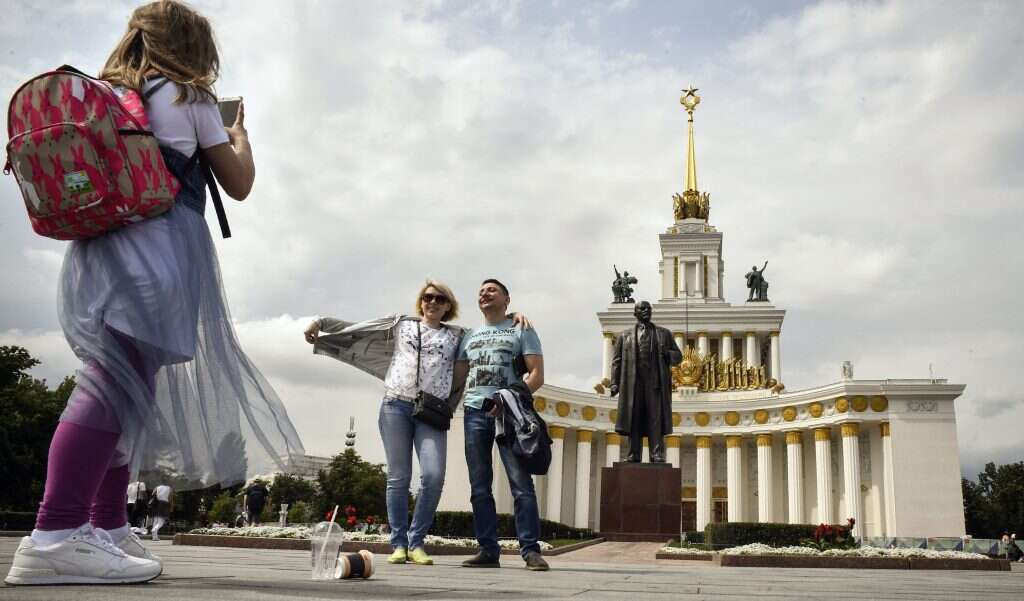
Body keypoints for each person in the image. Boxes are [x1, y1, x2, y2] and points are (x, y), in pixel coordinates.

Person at [5, 1, 304, 586]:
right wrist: (239, 135)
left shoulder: (114, 93)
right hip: (154, 253)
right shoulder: (189, 97)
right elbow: (237, 184)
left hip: (97, 252)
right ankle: (55, 534)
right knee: (112, 387)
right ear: (193, 46)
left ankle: (106, 526)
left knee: (126, 392)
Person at [306, 280, 530, 566]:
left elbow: (489, 331)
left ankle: (417, 541)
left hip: (431, 412)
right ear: (420, 302)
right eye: (427, 297)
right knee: (398, 478)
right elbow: (357, 327)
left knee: (434, 476)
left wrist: (514, 317)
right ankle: (399, 544)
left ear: (448, 306)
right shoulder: (401, 325)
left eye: (439, 299)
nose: (432, 302)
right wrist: (319, 322)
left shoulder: (458, 335)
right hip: (395, 405)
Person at [455, 279, 549, 571]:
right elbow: (458, 379)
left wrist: (510, 399)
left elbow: (536, 374)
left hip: (509, 416)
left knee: (521, 484)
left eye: (492, 290)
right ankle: (488, 550)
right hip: (474, 412)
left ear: (507, 299)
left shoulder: (521, 329)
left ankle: (530, 550)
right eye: (481, 290)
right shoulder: (468, 336)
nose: (484, 293)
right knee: (480, 486)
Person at [609, 300, 682, 463]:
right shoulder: (624, 336)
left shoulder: (664, 334)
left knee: (654, 418)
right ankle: (633, 453)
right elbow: (617, 361)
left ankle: (656, 453)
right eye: (642, 308)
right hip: (632, 384)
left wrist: (668, 354)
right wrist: (614, 382)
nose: (646, 311)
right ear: (635, 313)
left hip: (655, 383)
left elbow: (678, 356)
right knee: (634, 418)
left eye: (648, 308)